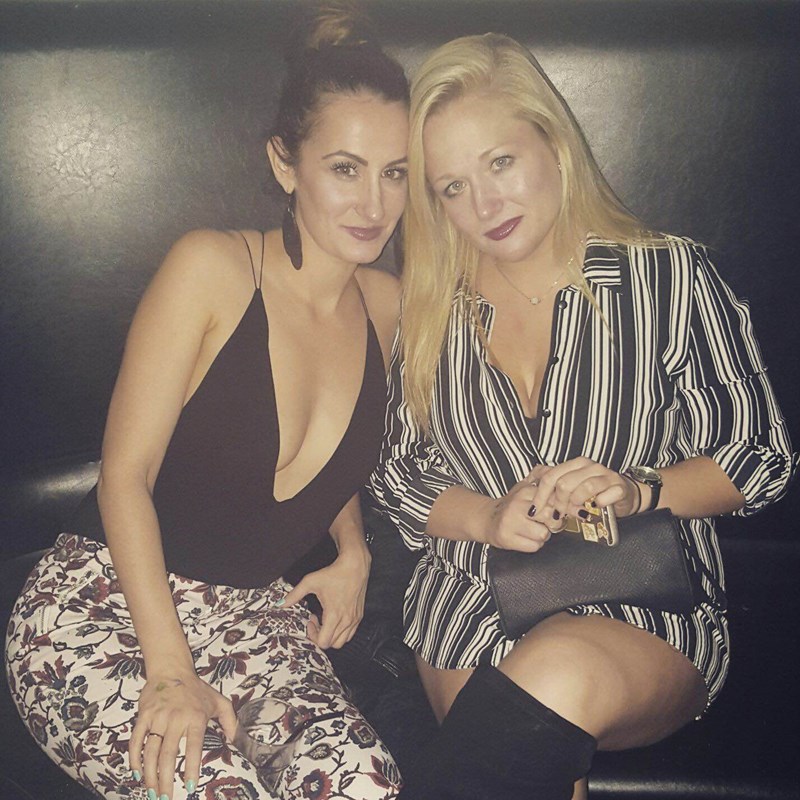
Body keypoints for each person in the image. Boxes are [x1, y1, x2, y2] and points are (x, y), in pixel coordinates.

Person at [370, 33, 797, 800]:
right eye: (453, 187)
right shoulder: (431, 308)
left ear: (553, 141)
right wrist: (489, 516)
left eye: (500, 162)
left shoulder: (667, 275)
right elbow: (396, 476)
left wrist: (637, 491)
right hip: (468, 605)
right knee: (523, 758)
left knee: (556, 672)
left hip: (643, 607)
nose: (485, 205)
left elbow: (761, 457)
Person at [5, 9, 408, 800]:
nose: (374, 202)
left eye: (394, 172)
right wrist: (169, 673)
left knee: (365, 784)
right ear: (285, 164)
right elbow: (126, 476)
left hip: (252, 614)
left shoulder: (389, 307)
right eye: (346, 168)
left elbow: (337, 450)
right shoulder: (212, 270)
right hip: (106, 603)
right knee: (213, 787)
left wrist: (352, 548)